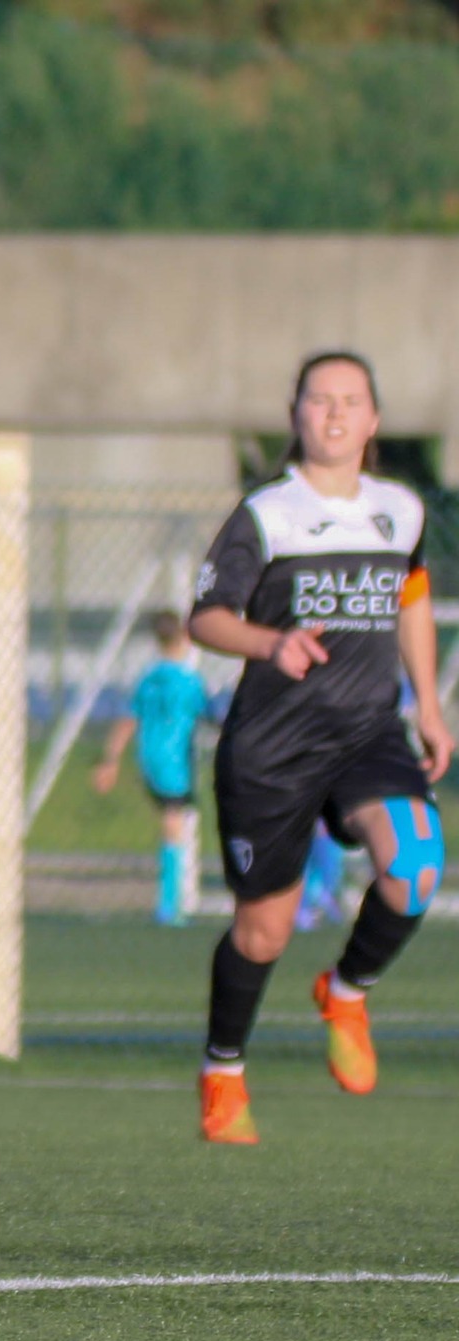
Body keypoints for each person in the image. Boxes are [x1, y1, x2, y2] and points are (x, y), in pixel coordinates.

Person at [188, 351, 449, 1145]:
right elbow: (206, 617)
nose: (334, 414)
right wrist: (271, 642)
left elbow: (410, 595)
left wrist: (431, 706)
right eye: (319, 400)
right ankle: (224, 1072)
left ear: (373, 420)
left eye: (351, 401)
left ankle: (347, 988)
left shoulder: (399, 509)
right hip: (272, 746)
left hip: (369, 732)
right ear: (296, 414)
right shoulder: (267, 515)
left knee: (415, 864)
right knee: (263, 931)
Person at [91, 609, 211, 927]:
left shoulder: (147, 678)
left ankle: (171, 902)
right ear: (185, 636)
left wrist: (110, 760)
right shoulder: (188, 680)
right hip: (175, 760)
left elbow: (128, 720)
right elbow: (210, 713)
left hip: (149, 758)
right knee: (175, 826)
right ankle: (170, 905)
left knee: (171, 824)